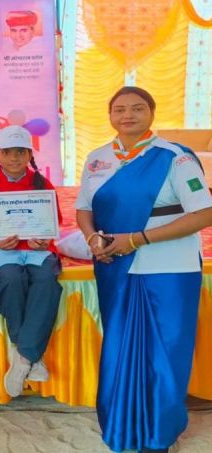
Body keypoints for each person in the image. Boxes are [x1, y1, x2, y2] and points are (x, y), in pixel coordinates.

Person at [75, 86, 212, 453]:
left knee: (166, 350)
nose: (128, 115)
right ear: (110, 115)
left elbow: (204, 212)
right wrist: (91, 240)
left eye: (137, 108)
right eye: (119, 109)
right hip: (114, 264)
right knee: (120, 347)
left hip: (170, 267)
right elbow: (84, 209)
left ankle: (159, 433)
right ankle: (120, 424)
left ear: (151, 113)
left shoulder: (175, 158)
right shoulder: (97, 158)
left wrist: (138, 239)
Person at [0, 125, 63, 398]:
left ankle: (22, 356)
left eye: (20, 152)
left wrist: (43, 238)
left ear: (30, 154)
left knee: (46, 280)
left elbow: (52, 223)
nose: (14, 158)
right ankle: (33, 355)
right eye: (7, 152)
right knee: (10, 279)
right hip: (2, 251)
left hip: (36, 251)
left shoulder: (42, 185)